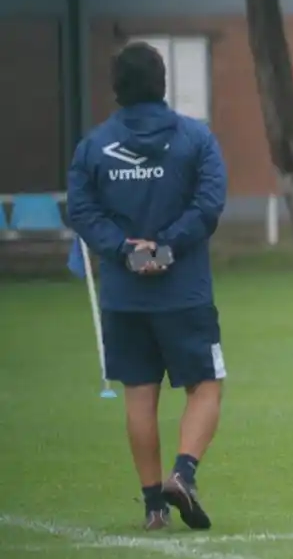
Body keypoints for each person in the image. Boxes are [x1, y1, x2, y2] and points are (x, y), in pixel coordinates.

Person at [67, 42, 228, 529]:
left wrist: (125, 250)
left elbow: (82, 210)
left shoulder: (93, 146)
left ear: (116, 87)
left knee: (140, 396)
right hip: (184, 294)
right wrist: (167, 248)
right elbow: (209, 203)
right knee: (205, 385)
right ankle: (184, 473)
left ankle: (154, 507)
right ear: (163, 82)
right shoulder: (195, 138)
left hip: (123, 295)